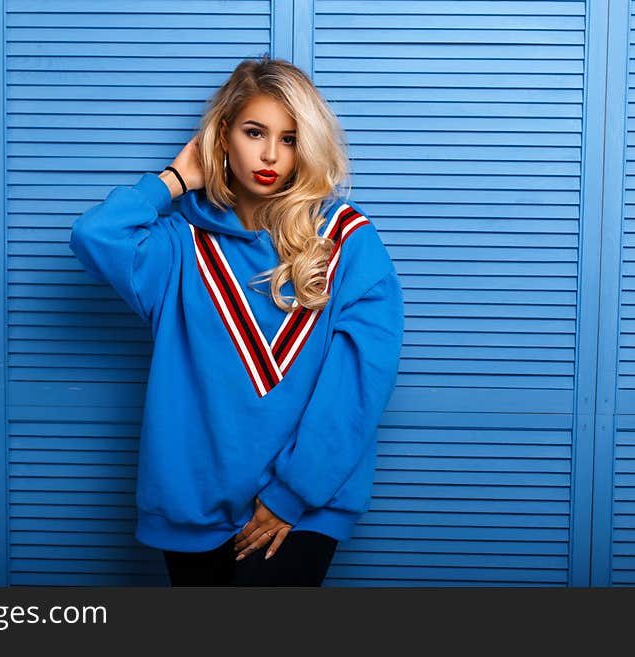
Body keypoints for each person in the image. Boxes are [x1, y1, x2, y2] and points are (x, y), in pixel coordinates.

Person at [69, 54, 404, 586]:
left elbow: (362, 380)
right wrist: (175, 178)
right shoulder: (179, 246)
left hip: (302, 510)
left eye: (290, 138)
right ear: (223, 136)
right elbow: (95, 235)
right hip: (191, 505)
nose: (271, 154)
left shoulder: (345, 242)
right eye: (254, 132)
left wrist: (294, 493)